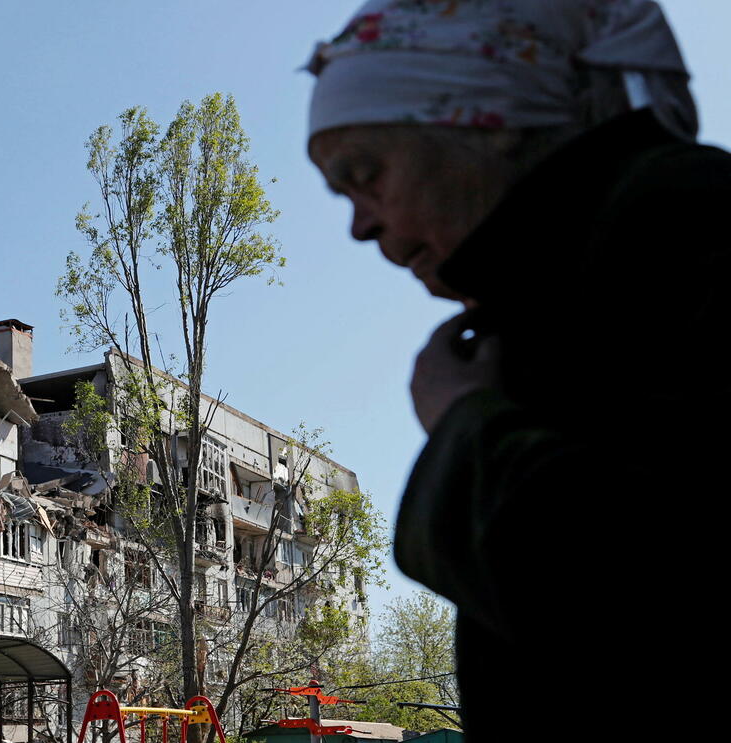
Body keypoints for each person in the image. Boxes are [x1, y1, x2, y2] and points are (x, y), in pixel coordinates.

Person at [306, 2, 730, 740]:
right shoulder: (574, 277)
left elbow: (656, 600)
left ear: (489, 120)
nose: (360, 226)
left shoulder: (683, 226)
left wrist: (464, 429)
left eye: (367, 174)